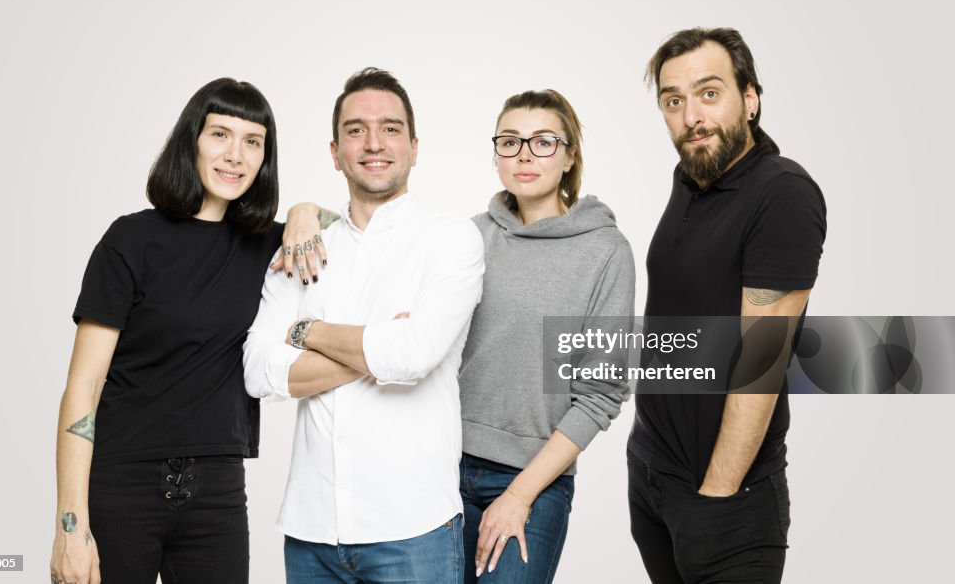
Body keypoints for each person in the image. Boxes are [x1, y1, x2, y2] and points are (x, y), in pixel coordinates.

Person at [243, 67, 484, 583]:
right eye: (356, 130)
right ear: (335, 152)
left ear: (415, 147)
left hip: (412, 532)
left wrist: (304, 331)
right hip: (311, 533)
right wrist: (376, 346)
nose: (374, 143)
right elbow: (258, 371)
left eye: (391, 128)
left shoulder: (451, 239)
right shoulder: (303, 247)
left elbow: (412, 356)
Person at [50, 78, 284, 584]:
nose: (235, 155)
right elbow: (84, 388)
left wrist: (307, 214)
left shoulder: (268, 245)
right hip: (120, 485)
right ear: (192, 141)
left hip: (218, 493)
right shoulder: (130, 241)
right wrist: (70, 526)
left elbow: (356, 228)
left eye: (253, 142)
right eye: (220, 134)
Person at [627, 28, 827, 583]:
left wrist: (717, 493)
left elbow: (762, 362)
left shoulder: (781, 192)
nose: (691, 116)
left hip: (726, 500)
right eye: (674, 100)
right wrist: (643, 459)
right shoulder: (692, 177)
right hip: (653, 478)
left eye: (709, 93)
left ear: (751, 98)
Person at [457, 90, 634, 583]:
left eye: (543, 141)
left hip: (533, 480)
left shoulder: (604, 252)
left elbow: (600, 394)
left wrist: (518, 495)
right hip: (441, 466)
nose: (525, 155)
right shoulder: (469, 238)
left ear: (570, 154)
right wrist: (305, 214)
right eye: (510, 142)